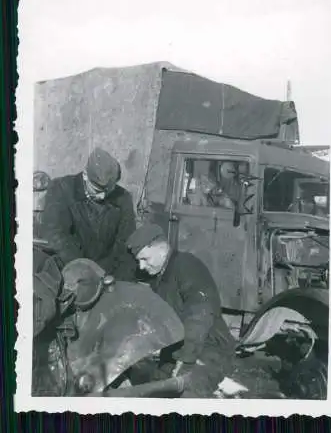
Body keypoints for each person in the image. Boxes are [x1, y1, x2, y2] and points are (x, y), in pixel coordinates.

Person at [126, 223, 236, 398]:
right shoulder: (160, 276)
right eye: (139, 260)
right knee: (154, 390)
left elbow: (200, 315)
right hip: (179, 348)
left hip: (209, 347)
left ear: (161, 249)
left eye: (145, 259)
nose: (141, 266)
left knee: (188, 392)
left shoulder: (187, 266)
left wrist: (185, 360)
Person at [42, 147, 137, 281]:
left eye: (109, 189)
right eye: (97, 189)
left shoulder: (123, 198)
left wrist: (109, 277)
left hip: (108, 274)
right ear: (85, 175)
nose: (103, 196)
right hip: (69, 269)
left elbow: (125, 242)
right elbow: (57, 235)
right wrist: (85, 271)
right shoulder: (61, 189)